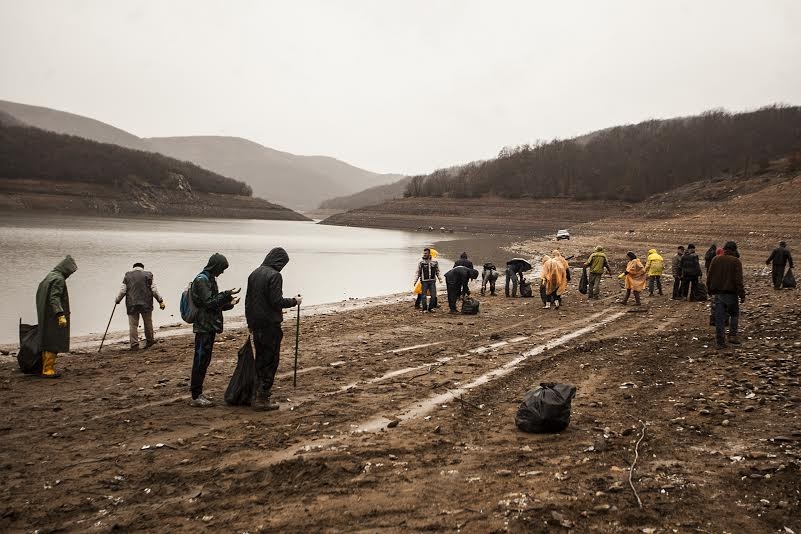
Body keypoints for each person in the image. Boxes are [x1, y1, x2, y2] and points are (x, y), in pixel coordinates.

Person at [245, 247, 302, 411]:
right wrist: (294, 301)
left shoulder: (254, 273)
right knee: (271, 361)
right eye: (283, 263)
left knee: (260, 359)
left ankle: (255, 394)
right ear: (278, 261)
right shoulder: (275, 276)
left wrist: (250, 323)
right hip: (270, 325)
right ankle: (263, 398)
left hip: (257, 325)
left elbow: (248, 301)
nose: (282, 267)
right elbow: (276, 301)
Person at [190, 253, 240, 407]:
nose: (222, 272)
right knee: (200, 360)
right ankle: (196, 395)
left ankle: (198, 393)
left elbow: (213, 304)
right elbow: (209, 303)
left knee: (204, 360)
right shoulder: (201, 280)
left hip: (209, 326)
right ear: (216, 266)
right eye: (222, 268)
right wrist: (226, 295)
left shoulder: (209, 279)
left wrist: (229, 303)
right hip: (203, 327)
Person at [35, 255, 77, 378]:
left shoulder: (49, 276)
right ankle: (48, 370)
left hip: (45, 314)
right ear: (66, 269)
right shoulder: (59, 279)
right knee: (53, 340)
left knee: (46, 340)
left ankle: (44, 367)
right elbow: (55, 297)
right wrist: (60, 314)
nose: (70, 274)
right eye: (70, 272)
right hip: (53, 315)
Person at [115, 262, 165, 350]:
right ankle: (150, 341)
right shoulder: (148, 275)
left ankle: (134, 345)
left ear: (133, 268)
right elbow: (154, 290)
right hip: (146, 303)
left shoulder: (127, 276)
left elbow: (123, 290)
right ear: (142, 268)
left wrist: (117, 300)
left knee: (133, 325)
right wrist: (160, 300)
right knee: (148, 322)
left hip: (132, 304)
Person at [708, 241, 746, 349]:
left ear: (724, 249)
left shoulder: (716, 259)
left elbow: (710, 275)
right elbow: (739, 280)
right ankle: (732, 336)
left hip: (719, 294)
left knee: (719, 318)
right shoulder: (736, 261)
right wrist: (742, 294)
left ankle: (720, 341)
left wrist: (710, 290)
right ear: (734, 250)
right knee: (734, 315)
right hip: (731, 294)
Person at [413, 248, 442, 313]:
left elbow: (438, 271)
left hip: (432, 281)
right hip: (424, 281)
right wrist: (415, 281)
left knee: (433, 296)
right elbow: (417, 272)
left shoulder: (435, 261)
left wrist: (440, 279)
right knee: (423, 296)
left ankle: (431, 308)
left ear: (429, 253)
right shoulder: (421, 261)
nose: (424, 254)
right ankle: (424, 309)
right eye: (424, 253)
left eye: (426, 253)